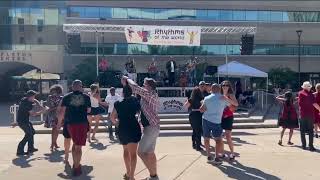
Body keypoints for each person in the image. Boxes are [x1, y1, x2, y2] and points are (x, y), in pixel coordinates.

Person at [122, 76, 160, 180]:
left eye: (144, 84)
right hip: (153, 127)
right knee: (150, 153)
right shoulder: (150, 95)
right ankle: (154, 175)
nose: (143, 86)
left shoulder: (149, 94)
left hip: (150, 128)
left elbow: (135, 87)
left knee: (140, 152)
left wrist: (127, 78)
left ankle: (153, 175)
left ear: (149, 86)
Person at [58, 80, 91, 176]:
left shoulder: (66, 97)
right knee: (79, 147)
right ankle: (77, 168)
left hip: (70, 124)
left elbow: (62, 112)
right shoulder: (86, 97)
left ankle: (75, 163)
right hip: (81, 123)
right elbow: (89, 110)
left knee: (75, 144)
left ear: (72, 87)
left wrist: (59, 123)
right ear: (81, 87)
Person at [200, 84, 238, 165]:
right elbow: (234, 106)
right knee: (218, 140)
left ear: (212, 90)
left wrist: (205, 105)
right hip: (217, 121)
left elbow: (201, 110)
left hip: (206, 120)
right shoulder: (223, 98)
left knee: (206, 138)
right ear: (219, 89)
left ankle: (209, 156)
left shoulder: (206, 98)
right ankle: (217, 157)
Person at [111, 85, 142, 180]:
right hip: (133, 127)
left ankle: (128, 172)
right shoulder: (135, 102)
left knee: (125, 150)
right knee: (133, 154)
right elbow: (140, 113)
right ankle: (132, 176)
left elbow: (112, 117)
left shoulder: (118, 103)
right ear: (131, 93)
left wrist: (117, 124)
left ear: (123, 93)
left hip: (123, 128)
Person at [16, 90, 46, 156]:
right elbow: (33, 114)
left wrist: (40, 106)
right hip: (22, 122)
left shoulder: (26, 99)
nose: (34, 98)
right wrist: (43, 111)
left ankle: (30, 148)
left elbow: (35, 100)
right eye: (33, 96)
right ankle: (19, 151)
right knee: (28, 134)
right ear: (30, 97)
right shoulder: (26, 104)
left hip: (26, 120)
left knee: (32, 132)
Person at [298, 81, 320, 151]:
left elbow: (299, 104)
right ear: (308, 87)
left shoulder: (300, 93)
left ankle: (304, 145)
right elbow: (314, 104)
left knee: (302, 131)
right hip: (310, 115)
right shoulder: (311, 94)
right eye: (310, 87)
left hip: (303, 115)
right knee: (311, 131)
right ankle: (311, 146)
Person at [221, 81, 238, 160]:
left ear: (229, 87)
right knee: (219, 137)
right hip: (220, 117)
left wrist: (227, 98)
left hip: (228, 117)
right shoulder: (219, 95)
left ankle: (232, 153)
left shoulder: (231, 95)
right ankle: (222, 153)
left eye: (226, 85)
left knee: (228, 136)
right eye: (223, 85)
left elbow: (236, 104)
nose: (225, 86)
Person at [45, 85, 63, 151]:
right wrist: (48, 109)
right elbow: (47, 105)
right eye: (52, 91)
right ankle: (52, 144)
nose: (53, 92)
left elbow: (61, 107)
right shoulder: (49, 97)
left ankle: (54, 143)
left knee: (57, 130)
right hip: (52, 115)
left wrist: (52, 108)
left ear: (58, 91)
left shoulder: (62, 98)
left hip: (59, 115)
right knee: (54, 130)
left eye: (55, 91)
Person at [184, 87, 203, 151]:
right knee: (198, 130)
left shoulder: (191, 99)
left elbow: (186, 106)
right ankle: (198, 145)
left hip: (192, 115)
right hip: (199, 114)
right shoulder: (201, 98)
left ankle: (193, 144)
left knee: (194, 130)